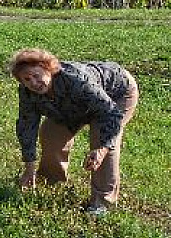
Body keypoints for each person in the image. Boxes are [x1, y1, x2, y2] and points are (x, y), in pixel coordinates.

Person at [9, 48, 140, 216]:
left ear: (48, 69)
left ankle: (102, 202)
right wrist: (29, 168)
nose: (33, 83)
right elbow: (27, 126)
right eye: (27, 79)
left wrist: (102, 150)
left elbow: (111, 113)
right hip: (73, 106)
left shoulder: (76, 80)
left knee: (101, 139)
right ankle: (50, 181)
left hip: (116, 94)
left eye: (36, 75)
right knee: (50, 133)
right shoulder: (27, 92)